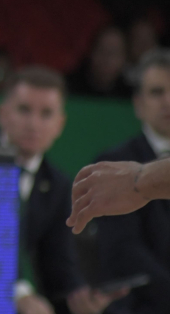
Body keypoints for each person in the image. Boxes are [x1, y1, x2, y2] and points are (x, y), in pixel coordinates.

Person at [0, 67, 120, 314]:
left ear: (60, 125)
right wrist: (19, 294)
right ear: (2, 114)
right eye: (24, 110)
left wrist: (79, 296)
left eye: (46, 114)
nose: (34, 124)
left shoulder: (57, 185)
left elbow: (58, 264)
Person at [73, 49, 170, 314]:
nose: (168, 101)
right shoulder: (114, 163)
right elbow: (124, 252)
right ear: (138, 103)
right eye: (157, 92)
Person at [67, 25, 134, 98]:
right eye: (102, 50)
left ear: (125, 58)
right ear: (91, 52)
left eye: (114, 52)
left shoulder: (131, 96)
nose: (106, 59)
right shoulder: (67, 88)